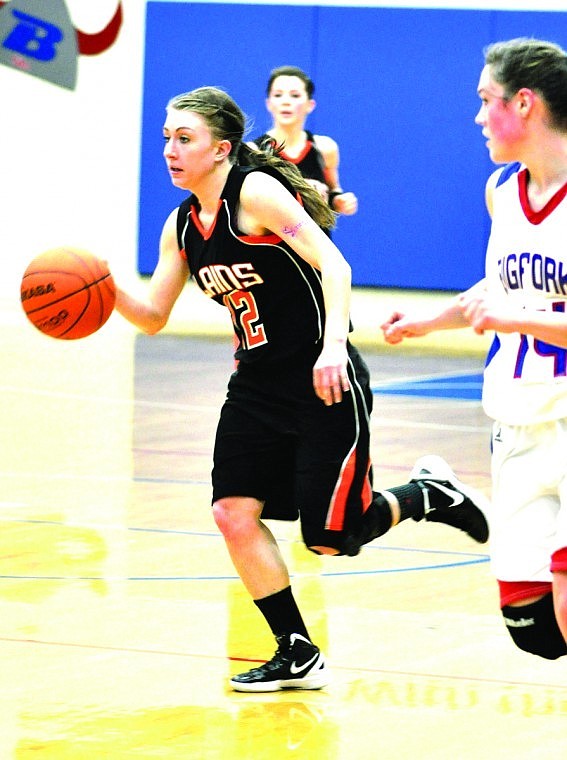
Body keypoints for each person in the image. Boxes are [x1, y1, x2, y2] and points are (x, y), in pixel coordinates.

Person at [114, 85, 489, 692]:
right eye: (166, 139)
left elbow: (334, 265)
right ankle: (295, 648)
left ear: (222, 149)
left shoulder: (255, 194)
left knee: (330, 540)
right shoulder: (182, 226)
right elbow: (154, 315)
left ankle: (429, 493)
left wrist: (334, 346)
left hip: (324, 378)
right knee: (232, 512)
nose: (171, 151)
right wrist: (101, 290)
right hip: (255, 386)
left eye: (185, 139)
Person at [382, 38, 567, 661]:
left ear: (523, 102)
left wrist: (516, 316)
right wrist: (431, 321)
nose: (478, 116)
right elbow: (502, 287)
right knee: (534, 629)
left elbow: (514, 307)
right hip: (516, 426)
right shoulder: (501, 191)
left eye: (486, 101)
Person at [251, 65, 358, 219]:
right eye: (278, 95)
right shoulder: (254, 151)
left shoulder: (325, 148)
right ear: (269, 103)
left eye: (295, 95)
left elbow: (334, 190)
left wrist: (339, 201)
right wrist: (301, 191)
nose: (286, 102)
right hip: (274, 241)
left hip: (317, 240)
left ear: (310, 105)